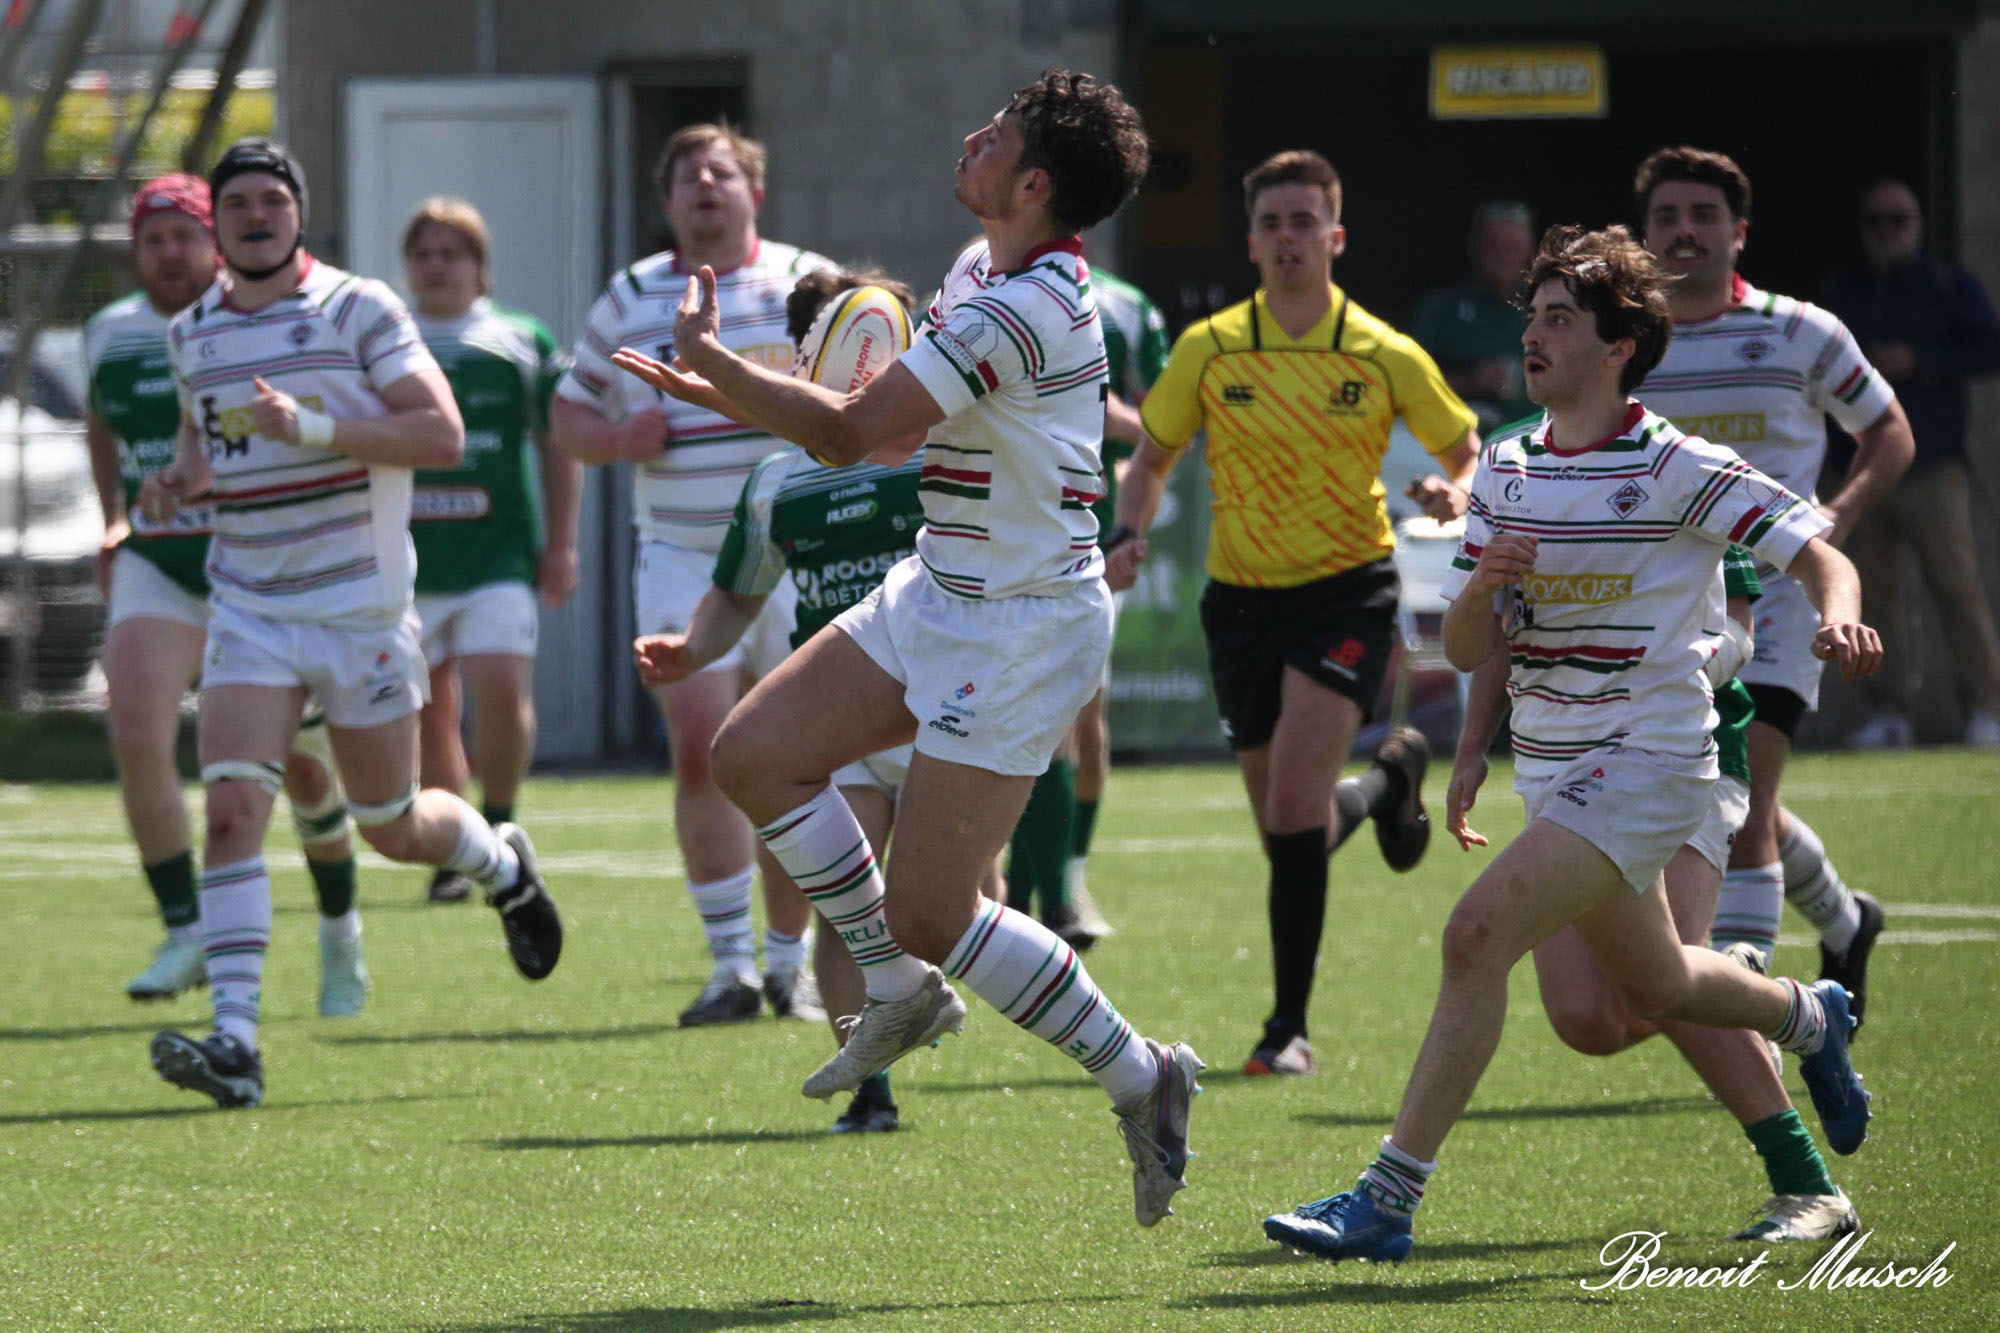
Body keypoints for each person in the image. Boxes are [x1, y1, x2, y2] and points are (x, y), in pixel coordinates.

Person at [613, 69, 1204, 1227]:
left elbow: (845, 436)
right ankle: (896, 987)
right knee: (751, 755)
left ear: (1032, 185)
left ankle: (1144, 1075)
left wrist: (720, 371)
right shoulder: (982, 269)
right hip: (940, 585)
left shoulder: (1022, 308)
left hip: (1023, 626)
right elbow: (884, 439)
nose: (972, 135)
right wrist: (743, 391)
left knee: (936, 911)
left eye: (1000, 134)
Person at [1262, 223, 1879, 1263]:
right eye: (1533, 316)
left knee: (1473, 935)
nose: (1533, 335)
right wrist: (1484, 612)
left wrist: (1840, 616)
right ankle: (1806, 1014)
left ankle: (1385, 1199)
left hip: (1650, 760)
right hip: (1553, 768)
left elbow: (1819, 554)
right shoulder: (1505, 465)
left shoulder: (1676, 463)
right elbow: (1467, 642)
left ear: (1617, 347)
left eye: (1559, 318)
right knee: (1652, 989)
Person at [138, 138, 562, 1110]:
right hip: (249, 603)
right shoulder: (194, 331)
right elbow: (208, 448)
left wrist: (317, 428)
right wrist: (175, 483)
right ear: (216, 223)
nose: (255, 216)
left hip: (358, 605)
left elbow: (440, 434)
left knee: (392, 827)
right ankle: (237, 1042)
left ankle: (501, 864)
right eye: (237, 203)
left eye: (271, 200)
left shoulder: (357, 307)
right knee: (232, 809)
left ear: (298, 213)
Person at [1105, 148, 1477, 1078]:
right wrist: (1128, 532)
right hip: (1239, 603)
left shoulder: (1384, 351)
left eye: (1303, 221)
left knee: (1293, 807)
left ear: (1335, 236)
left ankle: (1287, 1029)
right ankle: (1388, 785)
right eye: (1270, 224)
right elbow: (1151, 459)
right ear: (1250, 242)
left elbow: (1466, 447)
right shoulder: (1211, 347)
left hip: (1347, 590)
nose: (1286, 238)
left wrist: (1455, 492)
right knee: (1286, 830)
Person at [1449, 540, 1862, 1242]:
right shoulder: (1509, 482)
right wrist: (1470, 747)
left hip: (1678, 753)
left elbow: (1742, 623)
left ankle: (1807, 1184)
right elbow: (1496, 628)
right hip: (1564, 764)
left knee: (1663, 979)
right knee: (1589, 1017)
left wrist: (1657, 674)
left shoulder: (1678, 479)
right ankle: (1793, 1009)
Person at [1634, 147, 1915, 1033]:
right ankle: (1846, 920)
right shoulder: (1624, 343)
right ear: (1644, 234)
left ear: (1739, 232)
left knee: (1744, 800)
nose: (1684, 230)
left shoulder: (1802, 331)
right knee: (1736, 796)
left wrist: (1834, 517)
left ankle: (1745, 1012)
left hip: (1778, 605)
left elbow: (1889, 430)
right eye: (1667, 216)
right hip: (1664, 612)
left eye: (1703, 215)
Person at [551, 123, 824, 1026]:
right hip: (681, 552)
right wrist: (616, 437)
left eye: (723, 172)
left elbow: (863, 393)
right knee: (706, 750)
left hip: (798, 549)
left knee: (795, 759)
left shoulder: (808, 281)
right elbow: (568, 415)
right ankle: (730, 967)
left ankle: (790, 966)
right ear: (666, 199)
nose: (706, 184)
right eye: (688, 175)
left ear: (755, 191)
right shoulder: (630, 294)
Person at [638, 263, 921, 1133]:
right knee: (849, 911)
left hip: (948, 709)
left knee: (945, 911)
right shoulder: (777, 482)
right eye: (840, 337)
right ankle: (871, 1088)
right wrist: (692, 649)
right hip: (844, 721)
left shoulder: (944, 449)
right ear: (806, 356)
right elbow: (738, 592)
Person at [87, 173, 371, 1018]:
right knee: (135, 722)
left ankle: (339, 924)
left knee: (308, 772)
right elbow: (101, 423)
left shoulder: (260, 319)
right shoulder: (108, 332)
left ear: (214, 244)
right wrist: (114, 515)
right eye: (152, 239)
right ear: (135, 251)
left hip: (262, 566)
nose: (169, 252)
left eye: (184, 235)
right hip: (161, 562)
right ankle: (186, 930)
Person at [400, 197, 582, 903]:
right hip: (407, 563)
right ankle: (456, 851)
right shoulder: (389, 341)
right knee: (429, 711)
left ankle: (502, 824)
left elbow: (559, 443)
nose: (437, 266)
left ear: (481, 268)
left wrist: (560, 544)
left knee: (502, 691)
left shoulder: (519, 339)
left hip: (498, 558)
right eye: (423, 254)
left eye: (452, 253)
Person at [1004, 261, 1168, 949]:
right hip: (993, 537)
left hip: (1083, 541)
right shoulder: (972, 286)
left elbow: (1165, 428)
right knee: (1015, 717)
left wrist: (1129, 529)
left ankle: (1062, 886)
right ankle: (1020, 892)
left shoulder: (1123, 305)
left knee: (1077, 716)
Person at [1822, 177, 2000, 749]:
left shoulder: (1947, 284)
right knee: (1876, 595)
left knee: (1956, 586)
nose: (1887, 232)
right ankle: (1890, 711)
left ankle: (1989, 707)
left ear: (1919, 225)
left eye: (1898, 220)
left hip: (1932, 464)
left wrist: (1920, 360)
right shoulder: (1842, 290)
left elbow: (1989, 347)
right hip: (1860, 467)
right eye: (1875, 221)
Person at [1407, 200, 1539, 430]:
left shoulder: (1548, 311)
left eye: (1513, 248)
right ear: (1475, 245)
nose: (1503, 256)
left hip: (1533, 437)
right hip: (1453, 433)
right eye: (1494, 246)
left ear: (1530, 252)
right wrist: (1473, 381)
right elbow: (1409, 382)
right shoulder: (1440, 309)